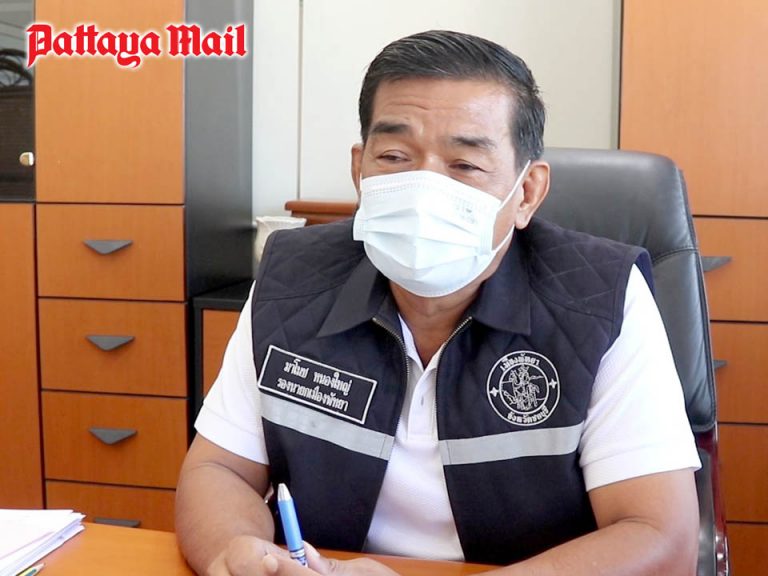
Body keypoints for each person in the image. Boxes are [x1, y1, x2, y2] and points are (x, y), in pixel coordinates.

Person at [176, 30, 701, 576]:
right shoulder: (292, 276)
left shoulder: (602, 295)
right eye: (394, 156)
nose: (424, 189)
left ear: (526, 193)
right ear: (359, 171)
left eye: (465, 165)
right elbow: (220, 470)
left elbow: (659, 535)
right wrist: (238, 553)